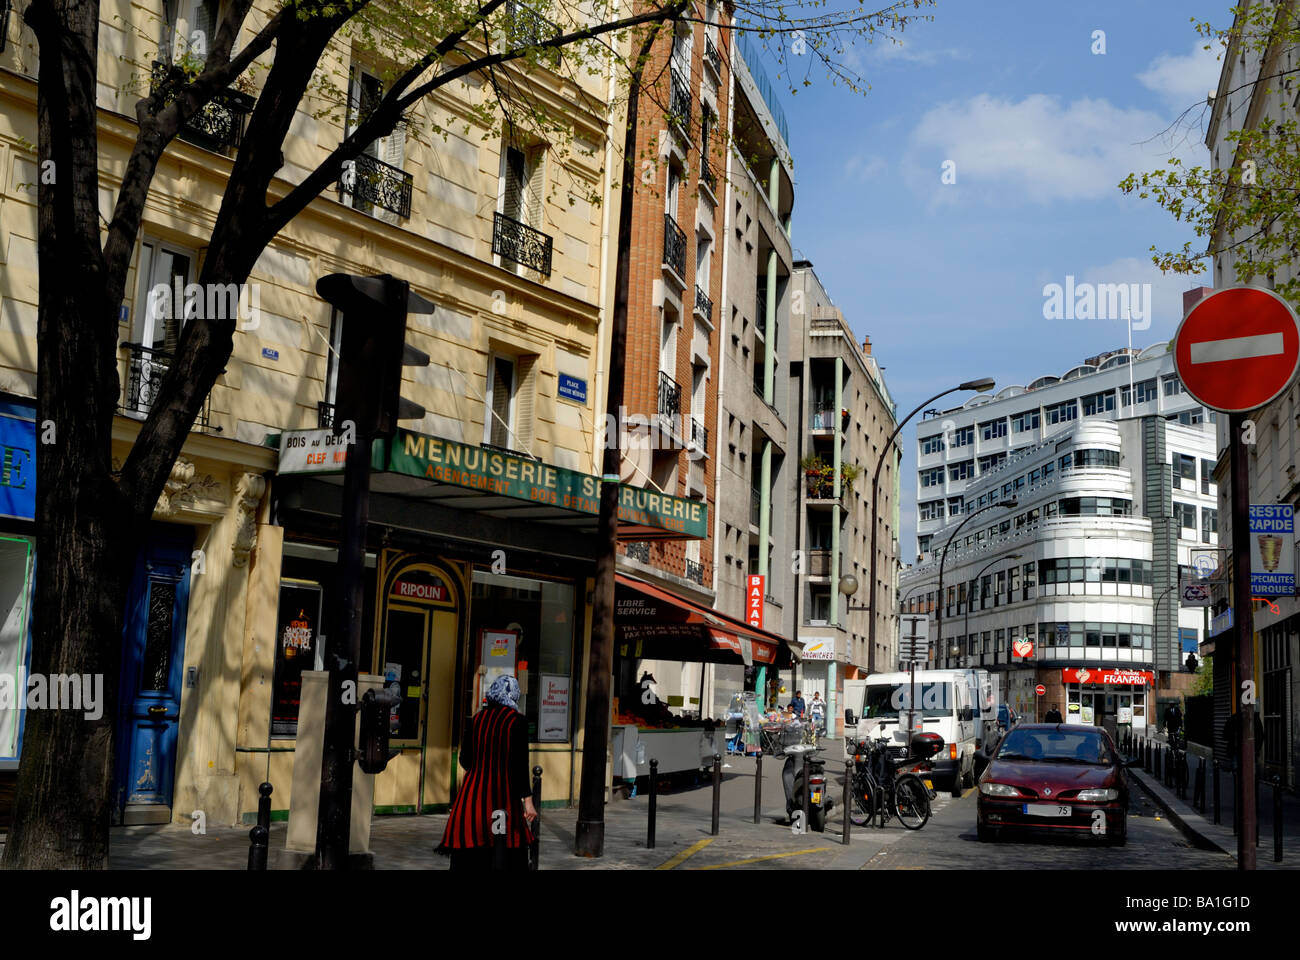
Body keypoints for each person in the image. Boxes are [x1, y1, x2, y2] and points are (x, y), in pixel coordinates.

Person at [437, 675, 537, 870]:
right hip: (503, 795)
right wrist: (528, 801)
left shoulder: (477, 719)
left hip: (472, 796)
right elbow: (519, 765)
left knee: (470, 842)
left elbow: (465, 760)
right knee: (507, 843)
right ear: (513, 695)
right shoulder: (517, 722)